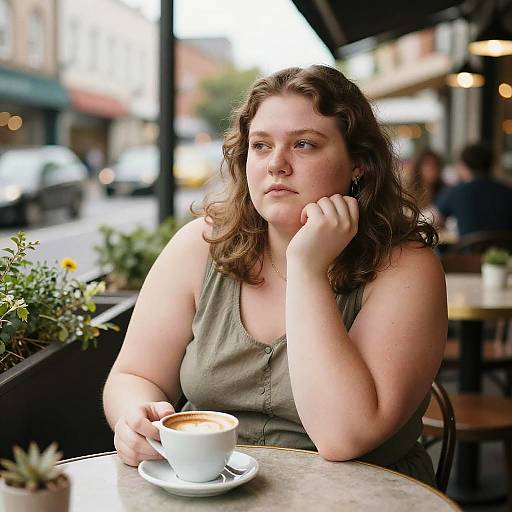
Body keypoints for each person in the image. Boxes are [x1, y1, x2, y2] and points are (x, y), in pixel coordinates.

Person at [102, 65, 447, 487]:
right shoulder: (200, 246)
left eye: (304, 144)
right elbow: (135, 375)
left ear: (358, 163)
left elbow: (344, 435)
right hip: (212, 490)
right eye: (261, 146)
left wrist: (307, 269)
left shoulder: (406, 266)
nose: (277, 165)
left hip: (359, 497)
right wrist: (135, 417)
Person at [435, 143, 512, 236]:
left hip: (468, 249)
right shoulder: (507, 191)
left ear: (463, 165)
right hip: (505, 249)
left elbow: (436, 221)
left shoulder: (456, 192)